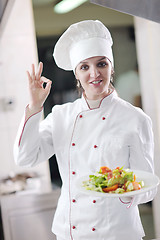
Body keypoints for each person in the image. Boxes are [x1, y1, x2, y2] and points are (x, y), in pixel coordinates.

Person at [14, 20, 157, 240]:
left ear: (111, 66)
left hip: (117, 234)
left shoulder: (135, 119)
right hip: (70, 233)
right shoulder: (62, 116)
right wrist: (34, 107)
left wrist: (123, 192)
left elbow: (148, 187)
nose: (95, 74)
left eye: (101, 64)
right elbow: (25, 157)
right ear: (76, 74)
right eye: (84, 67)